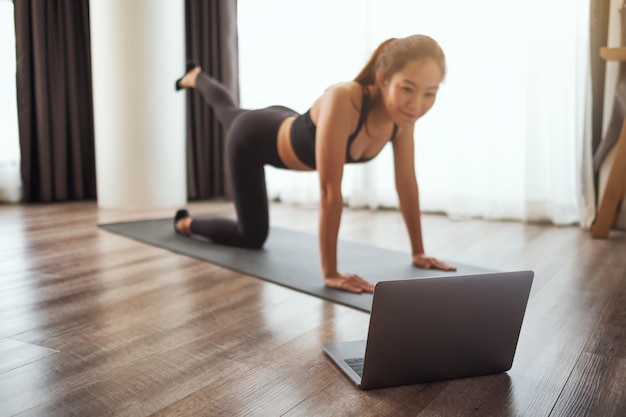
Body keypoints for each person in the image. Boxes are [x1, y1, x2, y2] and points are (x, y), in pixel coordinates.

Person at [174, 34, 456, 294]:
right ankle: (186, 223)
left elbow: (406, 183)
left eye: (429, 94)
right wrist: (330, 273)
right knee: (251, 237)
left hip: (285, 121)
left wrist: (418, 252)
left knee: (229, 110)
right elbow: (329, 192)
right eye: (407, 88)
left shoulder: (402, 118)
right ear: (383, 79)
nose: (417, 105)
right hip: (252, 139)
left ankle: (195, 76)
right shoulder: (344, 98)